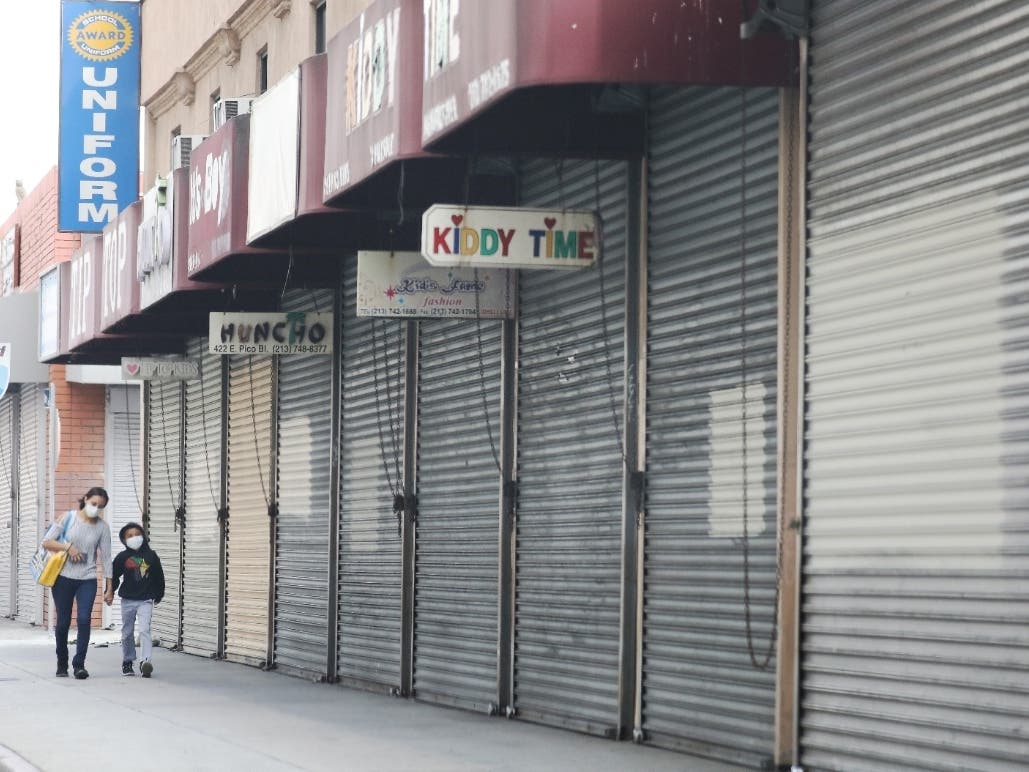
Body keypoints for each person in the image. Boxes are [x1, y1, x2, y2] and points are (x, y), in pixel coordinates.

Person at [41, 486, 113, 679]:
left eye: (100, 506)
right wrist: (68, 547)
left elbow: (106, 558)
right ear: (86, 498)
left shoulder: (102, 527)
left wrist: (109, 588)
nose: (96, 509)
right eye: (94, 503)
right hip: (63, 577)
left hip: (87, 579)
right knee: (63, 622)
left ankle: (79, 664)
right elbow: (46, 542)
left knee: (84, 619)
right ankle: (62, 663)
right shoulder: (68, 518)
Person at [106, 522, 165, 677]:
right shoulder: (122, 557)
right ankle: (127, 661)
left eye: (137, 534)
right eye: (129, 536)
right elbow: (113, 576)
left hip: (145, 599)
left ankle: (146, 661)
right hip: (128, 600)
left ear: (143, 537)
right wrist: (110, 591)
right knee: (127, 632)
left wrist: (159, 593)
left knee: (144, 629)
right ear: (124, 540)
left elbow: (159, 577)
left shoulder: (151, 556)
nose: (134, 538)